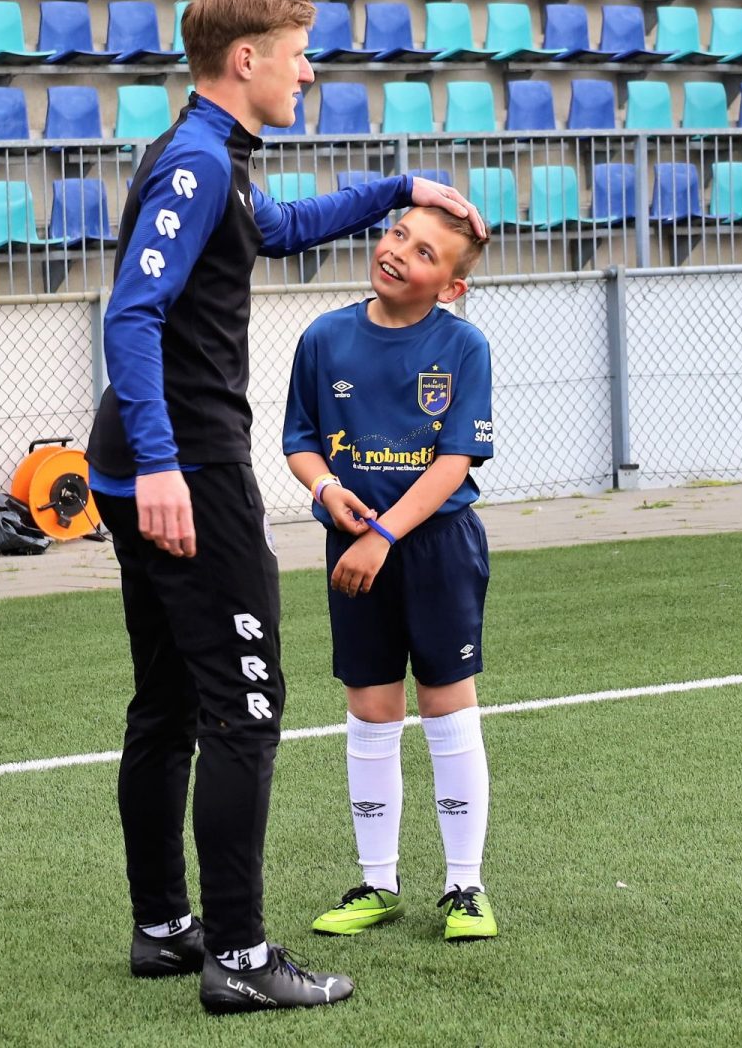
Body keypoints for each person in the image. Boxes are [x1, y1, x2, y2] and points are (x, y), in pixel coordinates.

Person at [84, 0, 486, 1015]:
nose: (310, 70)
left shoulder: (215, 156)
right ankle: (240, 956)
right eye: (299, 52)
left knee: (167, 702)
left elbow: (281, 226)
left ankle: (166, 928)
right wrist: (168, 463)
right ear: (246, 59)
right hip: (185, 468)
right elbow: (131, 315)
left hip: (147, 461)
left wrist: (402, 189)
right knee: (247, 711)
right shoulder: (194, 164)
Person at [282, 206, 500, 944]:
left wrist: (382, 533)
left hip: (435, 547)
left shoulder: (464, 347)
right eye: (399, 234)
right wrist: (323, 491)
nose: (401, 252)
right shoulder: (323, 338)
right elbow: (301, 444)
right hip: (352, 548)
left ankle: (465, 886)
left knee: (446, 707)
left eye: (427, 251)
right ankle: (378, 882)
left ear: (452, 287)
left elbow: (454, 463)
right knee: (371, 711)